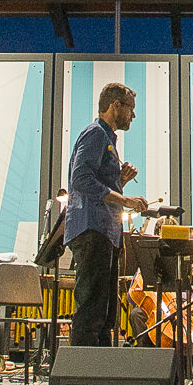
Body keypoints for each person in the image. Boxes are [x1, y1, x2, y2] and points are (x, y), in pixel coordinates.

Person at [66, 82, 147, 346]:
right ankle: (81, 380)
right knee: (92, 311)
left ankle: (98, 378)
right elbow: (80, 179)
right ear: (115, 106)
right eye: (130, 110)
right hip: (93, 231)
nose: (133, 116)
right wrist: (126, 199)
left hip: (104, 232)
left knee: (105, 313)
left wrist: (120, 180)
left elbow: (97, 184)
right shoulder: (96, 134)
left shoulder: (106, 138)